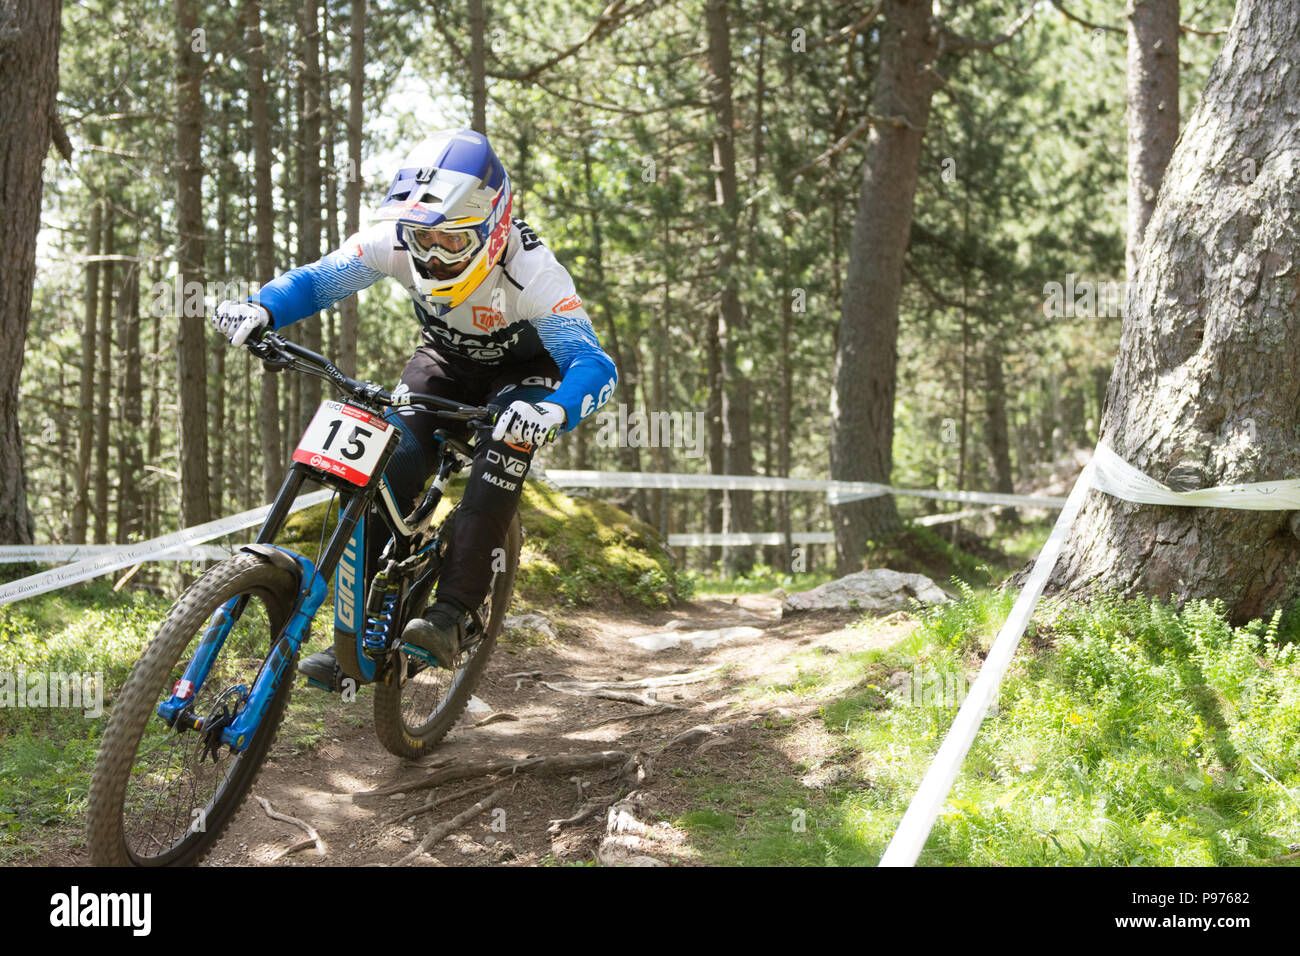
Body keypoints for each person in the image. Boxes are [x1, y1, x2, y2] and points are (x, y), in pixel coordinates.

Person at [211, 128, 617, 687]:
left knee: (501, 454)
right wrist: (262, 309)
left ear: (494, 227)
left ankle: (451, 613)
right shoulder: (392, 242)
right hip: (445, 363)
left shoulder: (534, 272)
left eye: (452, 242)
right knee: (387, 466)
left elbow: (595, 364)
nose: (431, 254)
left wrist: (552, 412)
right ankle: (360, 637)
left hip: (527, 376)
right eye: (421, 239)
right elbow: (318, 280)